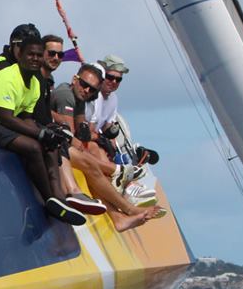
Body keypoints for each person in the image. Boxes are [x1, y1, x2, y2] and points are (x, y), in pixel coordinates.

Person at [0, 23, 86, 226]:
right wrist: (39, 135)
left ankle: (60, 199)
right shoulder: (7, 78)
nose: (35, 59)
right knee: (33, 147)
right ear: (20, 55)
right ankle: (49, 201)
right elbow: (6, 118)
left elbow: (27, 117)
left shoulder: (36, 83)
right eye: (30, 55)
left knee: (50, 145)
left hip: (0, 122)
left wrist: (45, 133)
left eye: (39, 55)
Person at [50, 63, 163, 231]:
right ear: (75, 80)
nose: (87, 90)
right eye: (84, 85)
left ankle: (119, 210)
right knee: (92, 166)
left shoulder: (80, 97)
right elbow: (71, 136)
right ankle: (125, 196)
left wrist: (86, 134)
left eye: (92, 89)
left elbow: (82, 132)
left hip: (61, 142)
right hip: (55, 144)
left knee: (94, 158)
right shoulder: (66, 94)